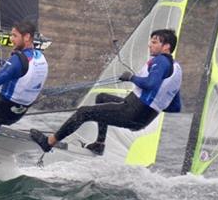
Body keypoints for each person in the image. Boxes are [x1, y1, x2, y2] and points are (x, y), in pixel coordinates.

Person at [30, 28, 182, 155]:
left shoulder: (161, 61)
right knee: (101, 97)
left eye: (154, 42)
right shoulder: (176, 69)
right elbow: (175, 107)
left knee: (83, 112)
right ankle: (99, 144)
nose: (149, 45)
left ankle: (48, 142)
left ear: (166, 46)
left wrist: (131, 78)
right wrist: (152, 104)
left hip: (133, 111)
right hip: (143, 115)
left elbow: (150, 84)